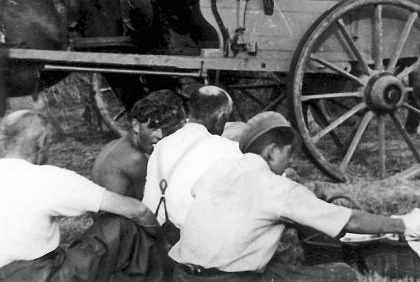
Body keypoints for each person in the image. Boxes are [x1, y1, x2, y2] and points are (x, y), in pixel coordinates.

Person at [169, 110, 420, 281]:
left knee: (280, 267)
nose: (289, 161)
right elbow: (350, 220)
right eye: (288, 153)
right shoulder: (276, 188)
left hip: (181, 273)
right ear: (272, 151)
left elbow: (201, 193)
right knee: (341, 274)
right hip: (229, 279)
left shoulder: (221, 168)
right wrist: (404, 224)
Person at [0, 109, 168, 282]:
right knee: (122, 224)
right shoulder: (47, 178)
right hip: (40, 276)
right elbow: (137, 210)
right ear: (43, 142)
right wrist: (160, 240)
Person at [142, 85, 240, 233]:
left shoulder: (161, 146)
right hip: (193, 239)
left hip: (156, 235)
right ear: (221, 117)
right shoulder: (229, 150)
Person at [91, 89, 185, 199]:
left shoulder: (115, 145)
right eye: (153, 128)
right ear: (136, 125)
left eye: (163, 128)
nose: (160, 135)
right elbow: (152, 205)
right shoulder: (135, 159)